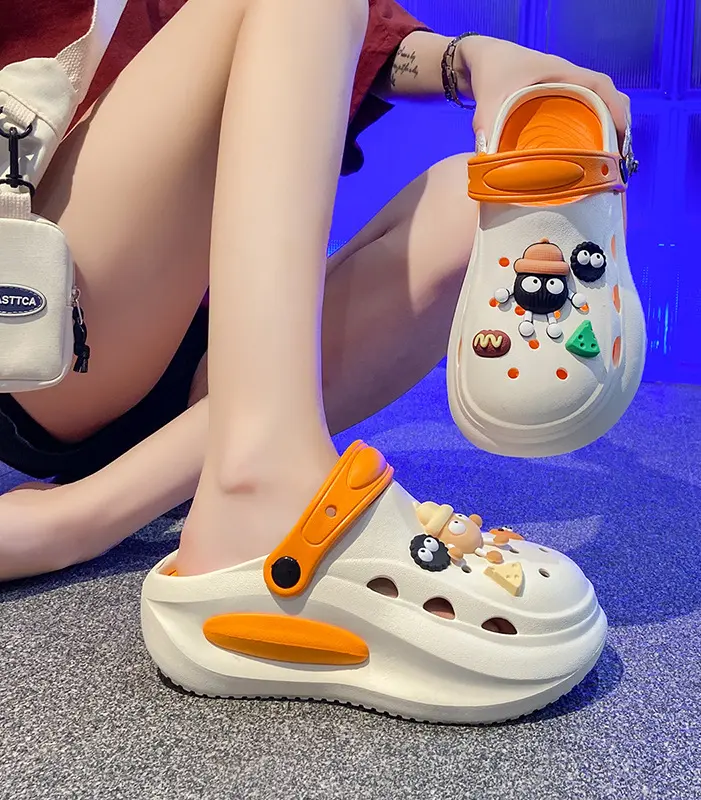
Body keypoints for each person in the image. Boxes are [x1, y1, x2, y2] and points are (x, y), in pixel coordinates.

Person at [0, 0, 629, 584]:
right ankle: (251, 487)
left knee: (492, 220)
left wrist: (468, 57)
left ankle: (111, 505)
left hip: (218, 348)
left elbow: (357, 33)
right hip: (54, 312)